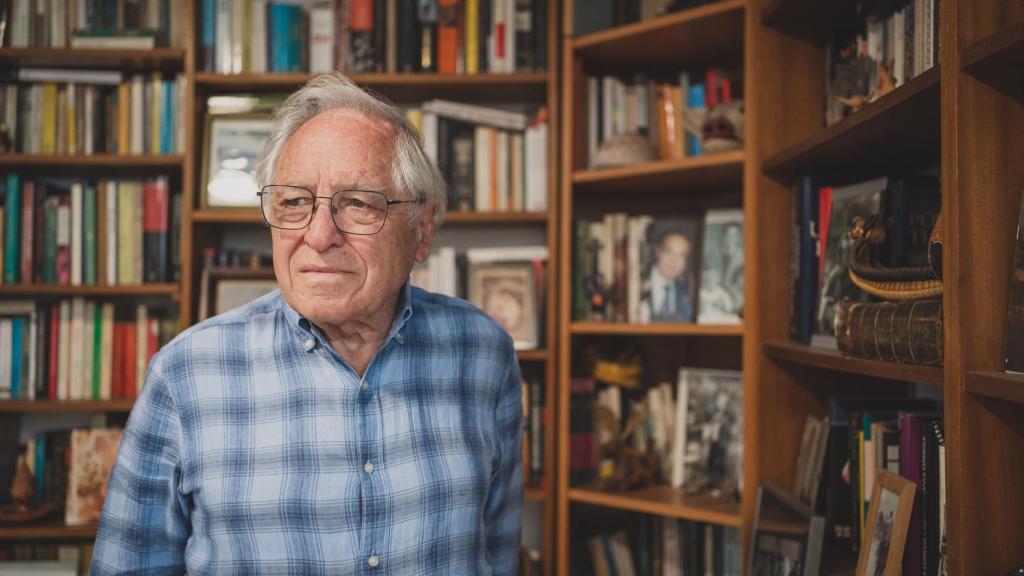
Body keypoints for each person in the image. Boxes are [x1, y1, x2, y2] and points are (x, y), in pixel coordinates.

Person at [91, 73, 523, 575]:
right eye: (294, 202)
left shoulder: (485, 353)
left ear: (421, 231)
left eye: (359, 203)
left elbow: (498, 550)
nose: (319, 236)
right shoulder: (186, 373)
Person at [643, 229, 694, 322]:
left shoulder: (686, 293)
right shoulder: (638, 283)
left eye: (681, 256)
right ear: (658, 252)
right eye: (669, 252)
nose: (674, 261)